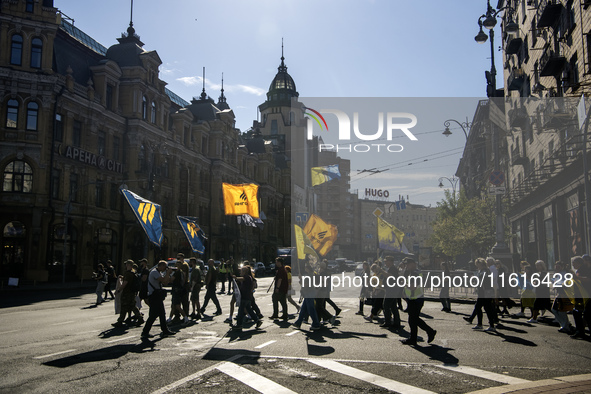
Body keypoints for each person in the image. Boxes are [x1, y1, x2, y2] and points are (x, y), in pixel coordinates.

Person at [401, 258, 437, 345]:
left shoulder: (415, 273)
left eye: (408, 264)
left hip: (416, 300)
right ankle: (417, 337)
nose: (406, 266)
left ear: (413, 263)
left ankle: (428, 332)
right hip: (415, 299)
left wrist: (403, 283)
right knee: (413, 320)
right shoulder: (414, 272)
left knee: (413, 320)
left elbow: (413, 287)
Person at [141, 260, 175, 339]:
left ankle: (165, 330)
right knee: (153, 315)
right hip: (154, 296)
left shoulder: (158, 272)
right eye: (165, 267)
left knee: (162, 314)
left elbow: (166, 283)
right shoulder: (154, 272)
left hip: (157, 296)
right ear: (161, 266)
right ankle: (145, 332)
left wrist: (168, 274)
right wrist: (167, 273)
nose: (165, 269)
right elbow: (163, 280)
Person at [463, 258, 496, 332]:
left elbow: (482, 281)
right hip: (484, 292)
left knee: (484, 308)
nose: (477, 266)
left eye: (477, 265)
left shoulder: (484, 271)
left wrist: (474, 280)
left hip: (484, 293)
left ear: (481, 264)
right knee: (482, 308)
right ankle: (483, 324)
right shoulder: (484, 271)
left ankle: (486, 325)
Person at [112, 260, 144, 328]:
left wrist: (118, 290)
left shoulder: (127, 273)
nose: (125, 265)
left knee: (124, 306)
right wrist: (123, 277)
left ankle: (120, 321)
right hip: (132, 292)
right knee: (132, 306)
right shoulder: (133, 272)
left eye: (126, 264)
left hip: (127, 293)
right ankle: (140, 318)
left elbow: (125, 283)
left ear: (128, 265)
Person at [232, 265, 263, 331]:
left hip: (245, 296)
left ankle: (239, 325)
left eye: (241, 271)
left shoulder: (247, 277)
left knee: (240, 311)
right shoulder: (247, 277)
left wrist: (236, 278)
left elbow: (242, 279)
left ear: (244, 271)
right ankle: (257, 321)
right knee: (249, 310)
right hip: (247, 296)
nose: (240, 272)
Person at [551, 260, 574, 334]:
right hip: (560, 294)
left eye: (558, 266)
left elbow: (563, 284)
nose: (556, 267)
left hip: (562, 294)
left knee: (560, 310)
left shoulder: (563, 274)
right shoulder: (559, 273)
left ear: (563, 267)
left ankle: (565, 326)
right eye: (556, 266)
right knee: (559, 310)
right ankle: (566, 324)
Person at [167, 260, 189, 326]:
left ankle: (186, 318)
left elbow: (171, 280)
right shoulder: (182, 272)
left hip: (176, 290)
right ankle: (170, 318)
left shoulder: (177, 273)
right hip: (180, 290)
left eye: (177, 265)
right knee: (173, 306)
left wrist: (168, 274)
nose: (176, 266)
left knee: (177, 306)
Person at [382, 256, 402, 328]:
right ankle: (396, 322)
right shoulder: (391, 268)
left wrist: (381, 270)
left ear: (390, 261)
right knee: (393, 307)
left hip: (392, 290)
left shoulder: (393, 269)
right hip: (391, 289)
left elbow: (389, 276)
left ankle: (388, 322)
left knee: (386, 306)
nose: (385, 263)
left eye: (386, 261)